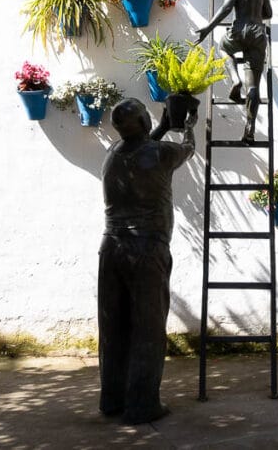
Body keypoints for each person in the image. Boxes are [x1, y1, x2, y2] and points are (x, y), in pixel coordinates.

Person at [98, 98, 196, 425]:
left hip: (111, 249)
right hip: (146, 249)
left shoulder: (112, 153)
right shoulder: (162, 154)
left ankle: (112, 399)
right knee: (148, 327)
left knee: (113, 326)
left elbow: (142, 145)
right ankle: (142, 404)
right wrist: (189, 125)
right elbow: (187, 149)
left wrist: (164, 125)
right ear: (143, 121)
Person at [195, 0, 272, 142]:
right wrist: (253, 16)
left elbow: (228, 6)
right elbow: (268, 13)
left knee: (223, 47)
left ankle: (235, 79)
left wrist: (208, 27)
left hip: (240, 30)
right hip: (258, 33)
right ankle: (250, 129)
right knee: (253, 86)